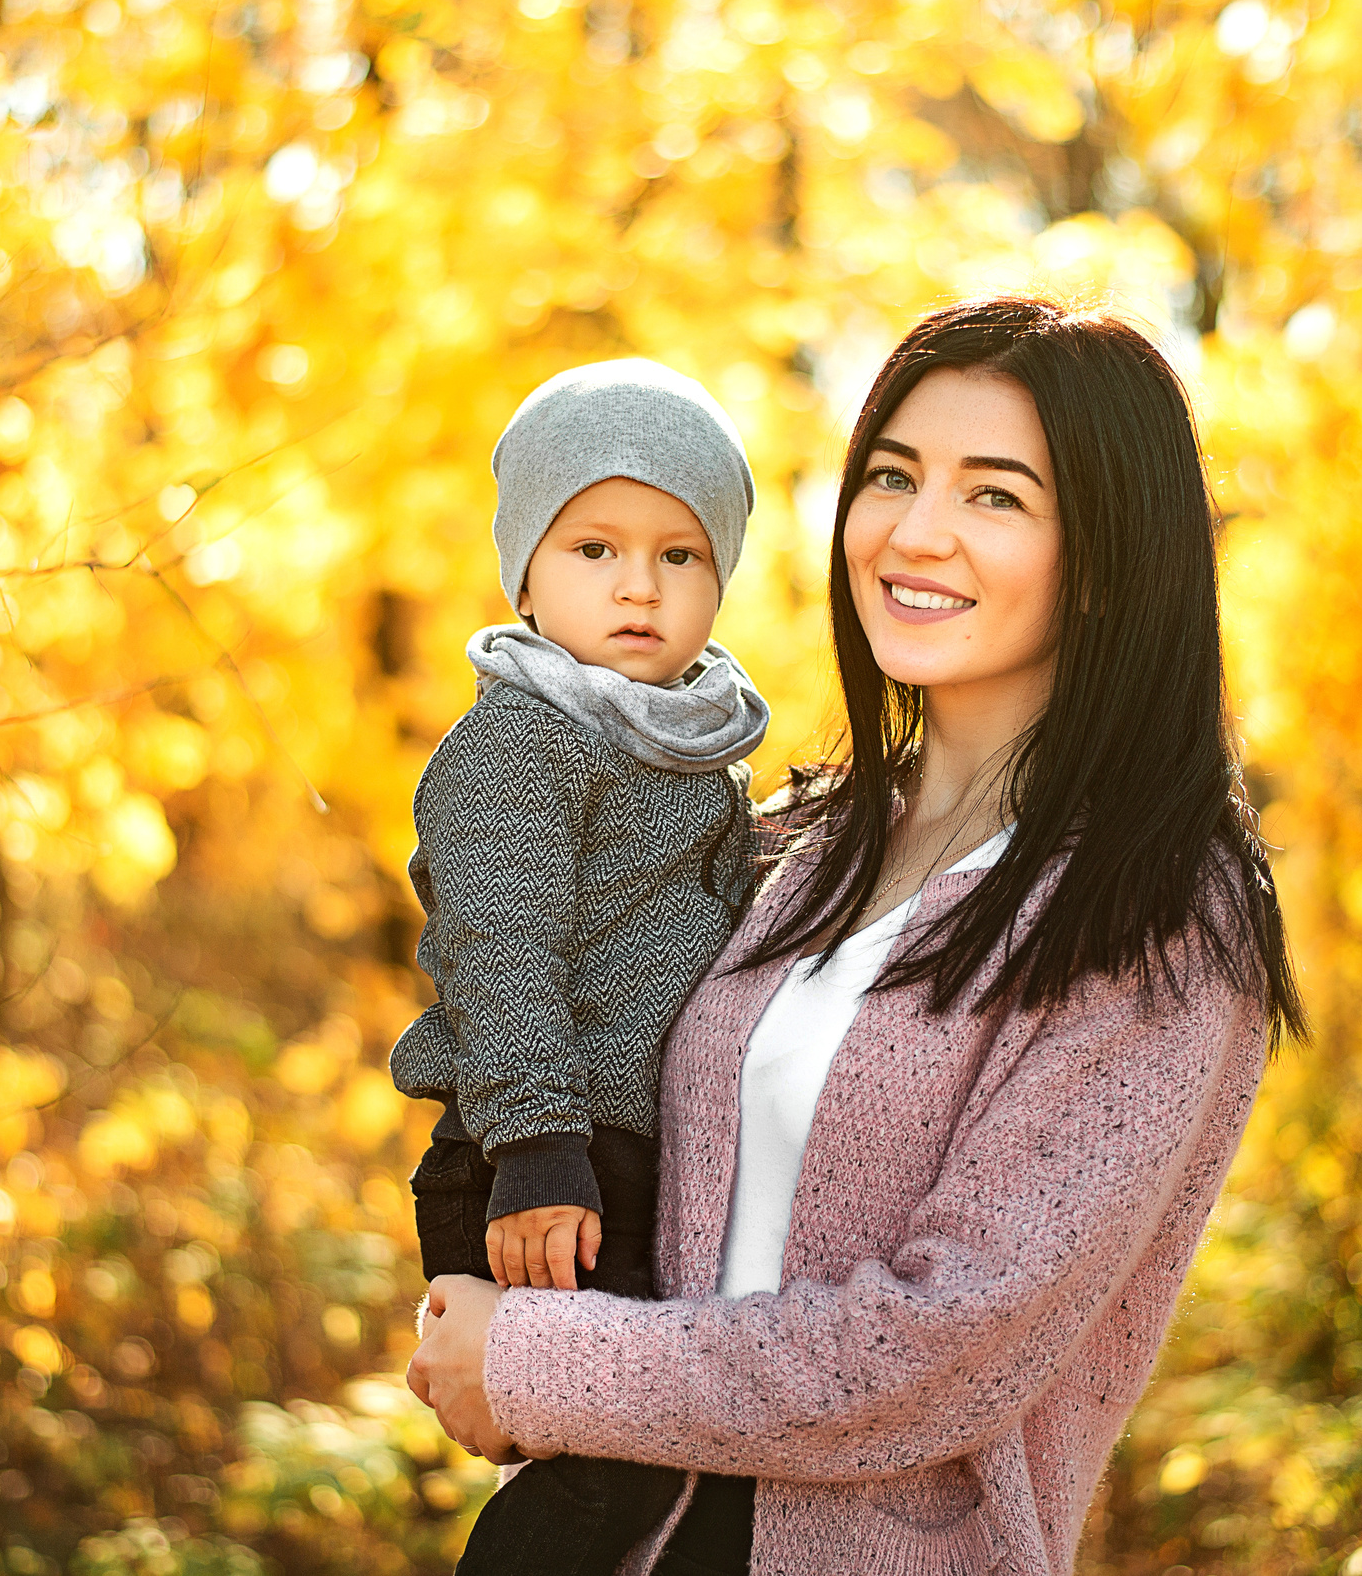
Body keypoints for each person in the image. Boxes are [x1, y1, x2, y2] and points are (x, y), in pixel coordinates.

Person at [408, 296, 1305, 1576]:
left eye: (994, 495)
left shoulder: (1159, 910)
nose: (913, 530)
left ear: (1105, 557)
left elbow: (935, 1349)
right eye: (892, 474)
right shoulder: (796, 842)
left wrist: (540, 1362)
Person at [385, 357, 772, 1574]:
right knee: (607, 1474)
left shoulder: (695, 749)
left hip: (624, 1157)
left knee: (660, 1467)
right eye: (593, 548)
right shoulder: (518, 741)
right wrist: (536, 1144)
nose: (638, 587)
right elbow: (499, 950)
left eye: (679, 554)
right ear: (527, 571)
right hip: (538, 1156)